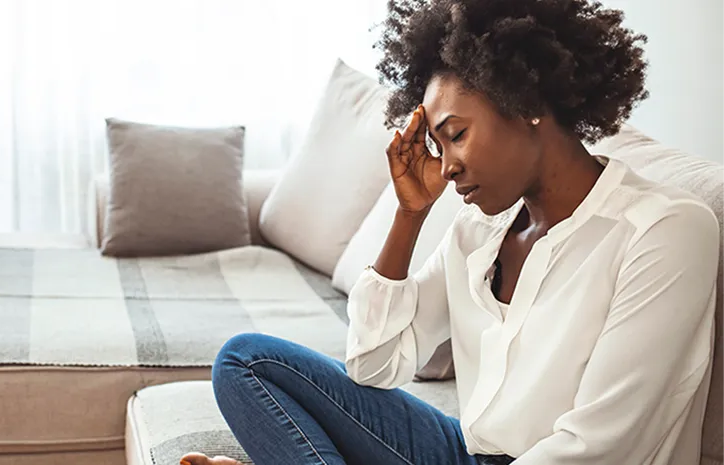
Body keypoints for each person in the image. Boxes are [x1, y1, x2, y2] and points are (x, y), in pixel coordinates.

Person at [180, 0, 720, 463]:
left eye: (456, 135)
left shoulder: (665, 228)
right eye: (437, 146)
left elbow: (600, 446)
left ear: (528, 105)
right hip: (465, 452)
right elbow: (374, 364)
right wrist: (409, 215)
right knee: (246, 362)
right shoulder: (479, 230)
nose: (447, 166)